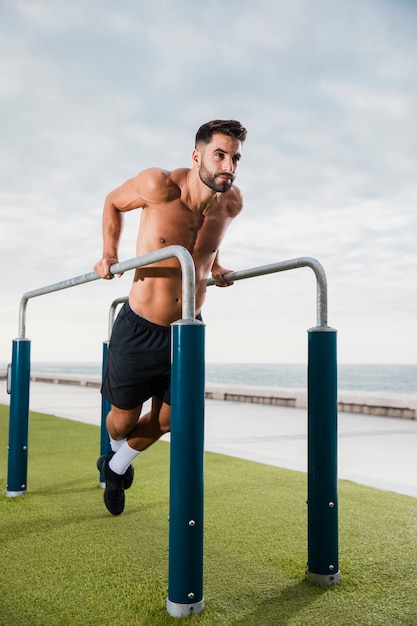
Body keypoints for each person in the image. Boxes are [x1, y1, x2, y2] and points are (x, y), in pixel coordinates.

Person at [94, 119, 247, 515]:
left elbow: (206, 247)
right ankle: (114, 451)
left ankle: (115, 468)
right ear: (197, 156)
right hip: (140, 327)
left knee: (169, 420)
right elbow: (112, 200)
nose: (227, 166)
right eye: (219, 155)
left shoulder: (232, 202)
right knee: (122, 423)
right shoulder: (158, 186)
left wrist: (216, 267)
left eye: (235, 158)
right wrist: (110, 253)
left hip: (187, 332)